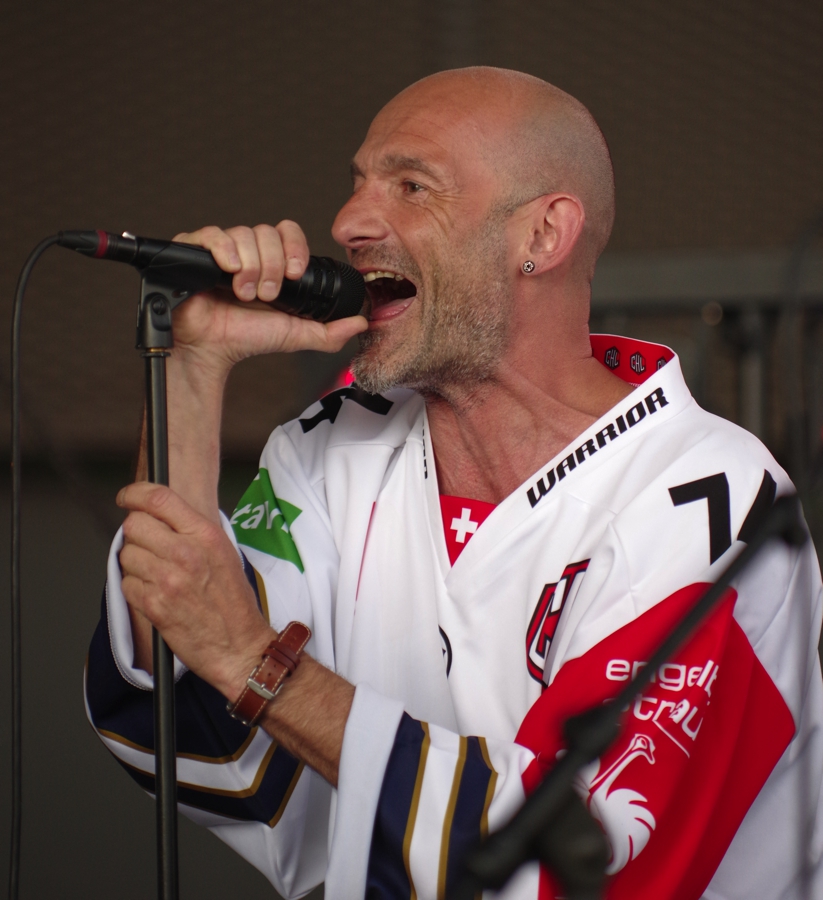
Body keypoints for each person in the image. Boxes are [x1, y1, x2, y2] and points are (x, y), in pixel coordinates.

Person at [85, 67, 823, 899]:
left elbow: (576, 859)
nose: (348, 222)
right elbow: (200, 731)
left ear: (542, 234)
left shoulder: (715, 498)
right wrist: (191, 366)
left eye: (411, 186)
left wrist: (255, 659)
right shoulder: (329, 445)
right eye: (358, 183)